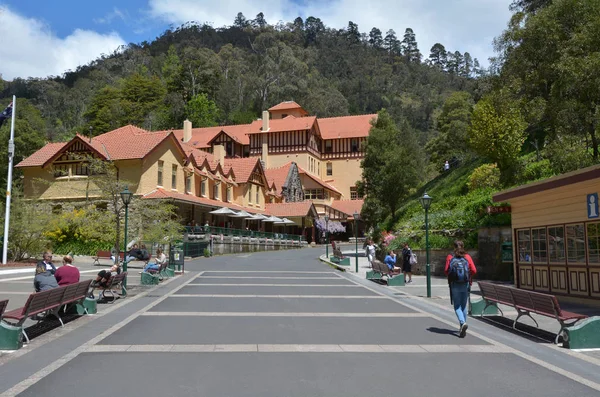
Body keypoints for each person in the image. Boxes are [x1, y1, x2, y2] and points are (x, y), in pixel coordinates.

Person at [444, 240, 477, 338]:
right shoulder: (467, 257)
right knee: (463, 306)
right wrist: (467, 276)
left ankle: (462, 323)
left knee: (457, 306)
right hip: (466, 284)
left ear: (454, 247)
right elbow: (474, 270)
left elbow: (446, 271)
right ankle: (462, 326)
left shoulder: (450, 257)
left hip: (455, 284)